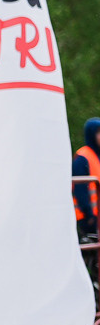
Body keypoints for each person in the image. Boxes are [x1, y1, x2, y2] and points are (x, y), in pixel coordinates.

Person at [76, 118, 100, 281]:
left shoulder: (97, 156)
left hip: (97, 217)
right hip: (89, 218)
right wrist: (89, 216)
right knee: (91, 258)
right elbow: (80, 190)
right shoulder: (83, 157)